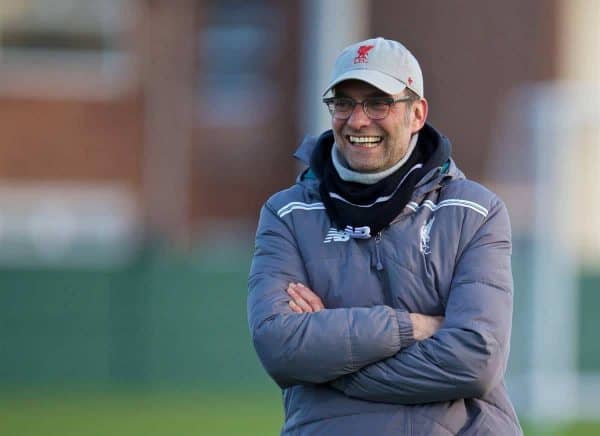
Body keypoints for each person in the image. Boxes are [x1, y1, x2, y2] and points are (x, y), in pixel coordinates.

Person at [247, 37, 522, 435]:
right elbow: (279, 346)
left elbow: (476, 360)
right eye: (343, 103)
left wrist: (331, 366)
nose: (357, 121)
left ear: (417, 114)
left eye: (378, 103)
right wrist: (411, 327)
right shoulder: (287, 214)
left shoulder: (475, 211)